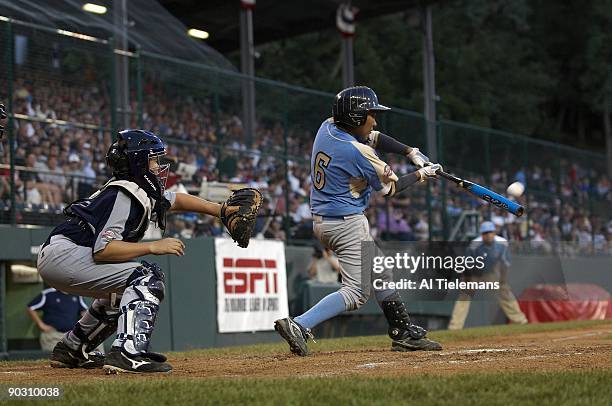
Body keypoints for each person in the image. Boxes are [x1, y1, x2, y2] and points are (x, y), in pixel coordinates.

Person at [37, 129, 251, 373]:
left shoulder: (135, 190)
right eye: (153, 159)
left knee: (122, 293)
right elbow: (103, 250)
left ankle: (72, 348)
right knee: (146, 277)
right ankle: (127, 353)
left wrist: (221, 210)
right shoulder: (124, 194)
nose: (159, 165)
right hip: (67, 254)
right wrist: (152, 246)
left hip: (62, 254)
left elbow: (178, 200)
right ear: (138, 162)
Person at [274, 86, 442, 355]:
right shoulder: (358, 152)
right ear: (355, 118)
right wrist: (423, 174)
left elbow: (372, 136)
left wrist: (410, 151)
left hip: (324, 221)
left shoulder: (327, 127)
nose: (375, 119)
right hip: (347, 223)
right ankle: (299, 324)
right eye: (370, 114)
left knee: (381, 273)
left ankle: (403, 332)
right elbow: (390, 190)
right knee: (356, 293)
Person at [447, 221, 528, 330]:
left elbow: (505, 264)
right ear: (482, 234)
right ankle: (455, 327)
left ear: (494, 232)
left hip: (491, 271)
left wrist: (502, 281)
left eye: (490, 232)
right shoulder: (475, 244)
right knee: (464, 296)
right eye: (485, 233)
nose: (488, 235)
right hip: (474, 272)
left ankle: (520, 321)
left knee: (504, 292)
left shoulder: (502, 243)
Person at [27, 287, 88, 352]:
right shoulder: (48, 294)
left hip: (71, 336)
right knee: (54, 359)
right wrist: (41, 325)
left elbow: (84, 312)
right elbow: (30, 308)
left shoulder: (77, 294)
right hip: (53, 336)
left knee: (73, 358)